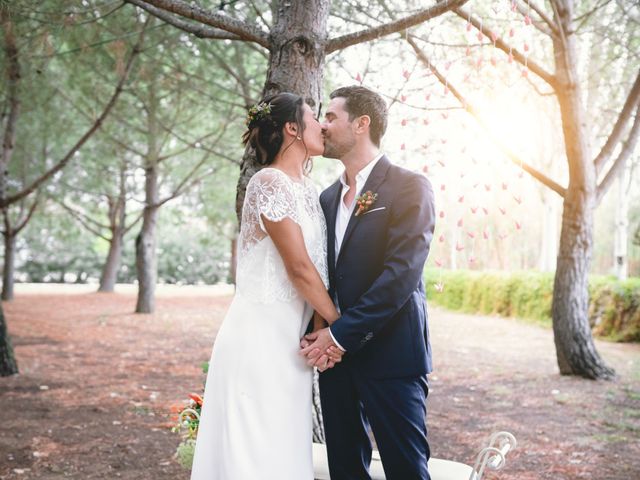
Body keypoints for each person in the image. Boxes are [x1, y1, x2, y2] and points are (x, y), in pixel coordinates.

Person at [190, 92, 342, 480]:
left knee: (282, 445)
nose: (323, 125)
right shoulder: (269, 183)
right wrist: (342, 324)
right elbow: (299, 268)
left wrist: (320, 327)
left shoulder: (309, 189)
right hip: (258, 338)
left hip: (292, 342)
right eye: (314, 118)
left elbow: (320, 267)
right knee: (254, 449)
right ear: (292, 128)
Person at [300, 85, 436, 480]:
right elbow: (325, 276)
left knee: (406, 469)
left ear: (362, 124)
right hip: (336, 364)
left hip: (393, 356)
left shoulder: (409, 186)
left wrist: (339, 335)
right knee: (344, 469)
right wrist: (324, 334)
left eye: (331, 117)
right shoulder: (326, 198)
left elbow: (401, 276)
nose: (323, 126)